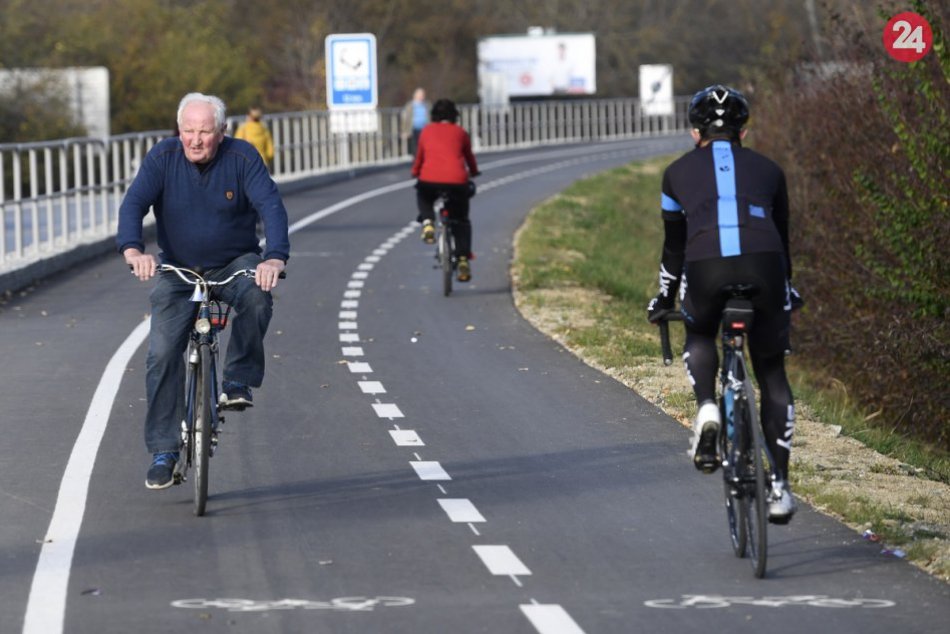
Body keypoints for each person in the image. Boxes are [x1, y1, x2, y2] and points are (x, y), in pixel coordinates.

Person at [117, 92, 290, 490]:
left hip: (234, 262)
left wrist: (274, 259)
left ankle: (237, 381)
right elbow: (133, 205)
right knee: (161, 354)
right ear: (178, 130)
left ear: (222, 131)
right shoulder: (162, 158)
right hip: (177, 269)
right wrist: (132, 250)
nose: (195, 139)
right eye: (188, 131)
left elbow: (272, 208)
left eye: (205, 131)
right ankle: (164, 450)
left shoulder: (243, 157)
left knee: (256, 295)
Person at [647, 84, 802, 523]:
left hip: (706, 268)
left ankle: (707, 407)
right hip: (765, 267)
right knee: (771, 370)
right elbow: (784, 244)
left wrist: (662, 297)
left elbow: (673, 251)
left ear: (694, 133)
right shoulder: (772, 171)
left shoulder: (674, 174)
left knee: (698, 332)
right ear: (744, 132)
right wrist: (788, 290)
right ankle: (780, 488)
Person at [411, 98, 480, 282]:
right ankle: (463, 259)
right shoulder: (461, 133)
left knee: (423, 195)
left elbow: (420, 157)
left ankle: (427, 222)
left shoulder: (426, 131)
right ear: (455, 116)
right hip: (457, 182)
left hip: (429, 180)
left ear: (434, 115)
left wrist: (415, 172)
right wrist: (474, 172)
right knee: (461, 220)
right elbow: (469, 158)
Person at [234, 106, 275, 172]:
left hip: (246, 164)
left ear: (249, 116)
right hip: (263, 163)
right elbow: (270, 152)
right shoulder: (264, 129)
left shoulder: (243, 129)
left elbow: (236, 147)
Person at [401, 87, 429, 156]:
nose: (421, 97)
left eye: (422, 95)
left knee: (424, 146)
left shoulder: (426, 105)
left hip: (425, 128)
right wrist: (404, 130)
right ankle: (416, 162)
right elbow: (405, 118)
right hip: (413, 128)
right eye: (419, 95)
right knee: (415, 147)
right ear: (415, 96)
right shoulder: (410, 106)